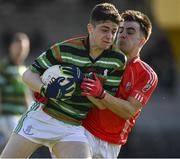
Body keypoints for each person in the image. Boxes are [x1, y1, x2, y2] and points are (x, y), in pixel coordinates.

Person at [0, 3, 126, 158]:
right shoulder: (65, 49)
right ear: (90, 28)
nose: (109, 36)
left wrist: (91, 89)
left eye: (114, 31)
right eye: (104, 30)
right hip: (41, 118)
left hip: (72, 126)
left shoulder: (117, 60)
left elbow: (101, 104)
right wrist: (45, 89)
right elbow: (28, 75)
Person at [81, 10, 158, 158]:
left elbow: (129, 110)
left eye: (130, 32)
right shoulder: (98, 56)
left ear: (142, 41)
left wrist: (101, 94)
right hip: (83, 131)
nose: (122, 35)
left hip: (112, 144)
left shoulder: (147, 75)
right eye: (120, 30)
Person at [0, 32, 32, 152]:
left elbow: (26, 95)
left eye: (24, 48)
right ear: (11, 47)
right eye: (18, 48)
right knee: (19, 150)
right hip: (7, 117)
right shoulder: (3, 68)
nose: (21, 51)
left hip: (20, 118)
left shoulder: (24, 70)